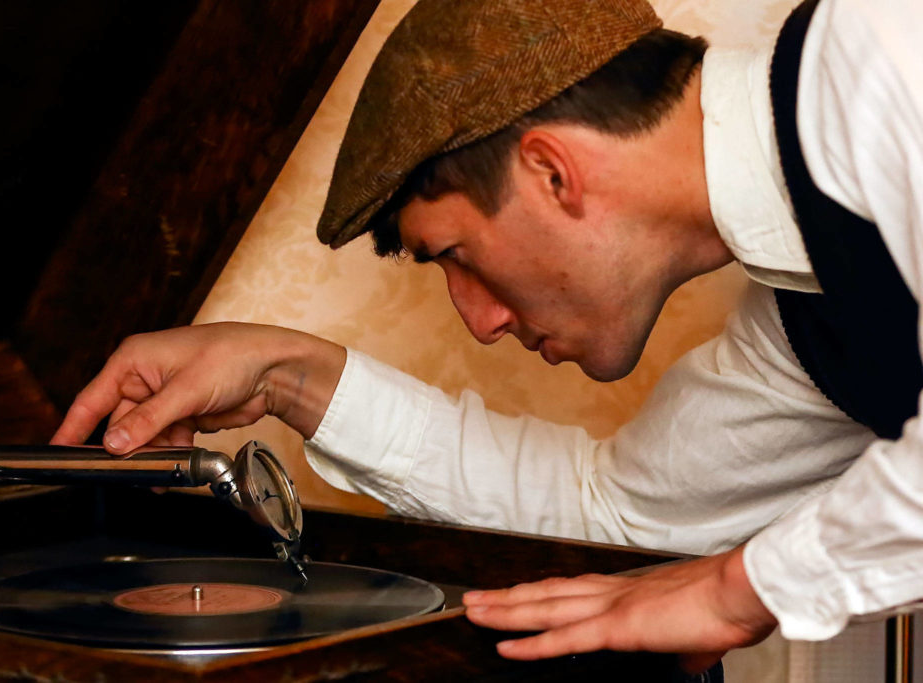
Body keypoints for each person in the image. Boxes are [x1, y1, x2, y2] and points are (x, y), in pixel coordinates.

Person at [51, 0, 923, 675]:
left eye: (456, 255)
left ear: (552, 172)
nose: (479, 319)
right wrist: (290, 375)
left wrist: (745, 589)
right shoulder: (805, 316)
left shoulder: (882, 46)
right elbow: (615, 516)